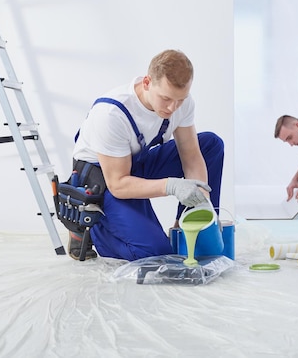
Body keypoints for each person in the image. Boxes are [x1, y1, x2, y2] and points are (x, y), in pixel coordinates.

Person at [68, 49, 224, 261]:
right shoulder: (111, 114)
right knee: (155, 254)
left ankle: (185, 227)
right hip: (103, 179)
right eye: (166, 98)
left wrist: (202, 201)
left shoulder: (181, 102)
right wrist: (172, 185)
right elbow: (119, 184)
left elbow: (192, 156)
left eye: (180, 100)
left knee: (211, 145)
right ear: (147, 83)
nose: (173, 107)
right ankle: (91, 225)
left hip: (136, 162)